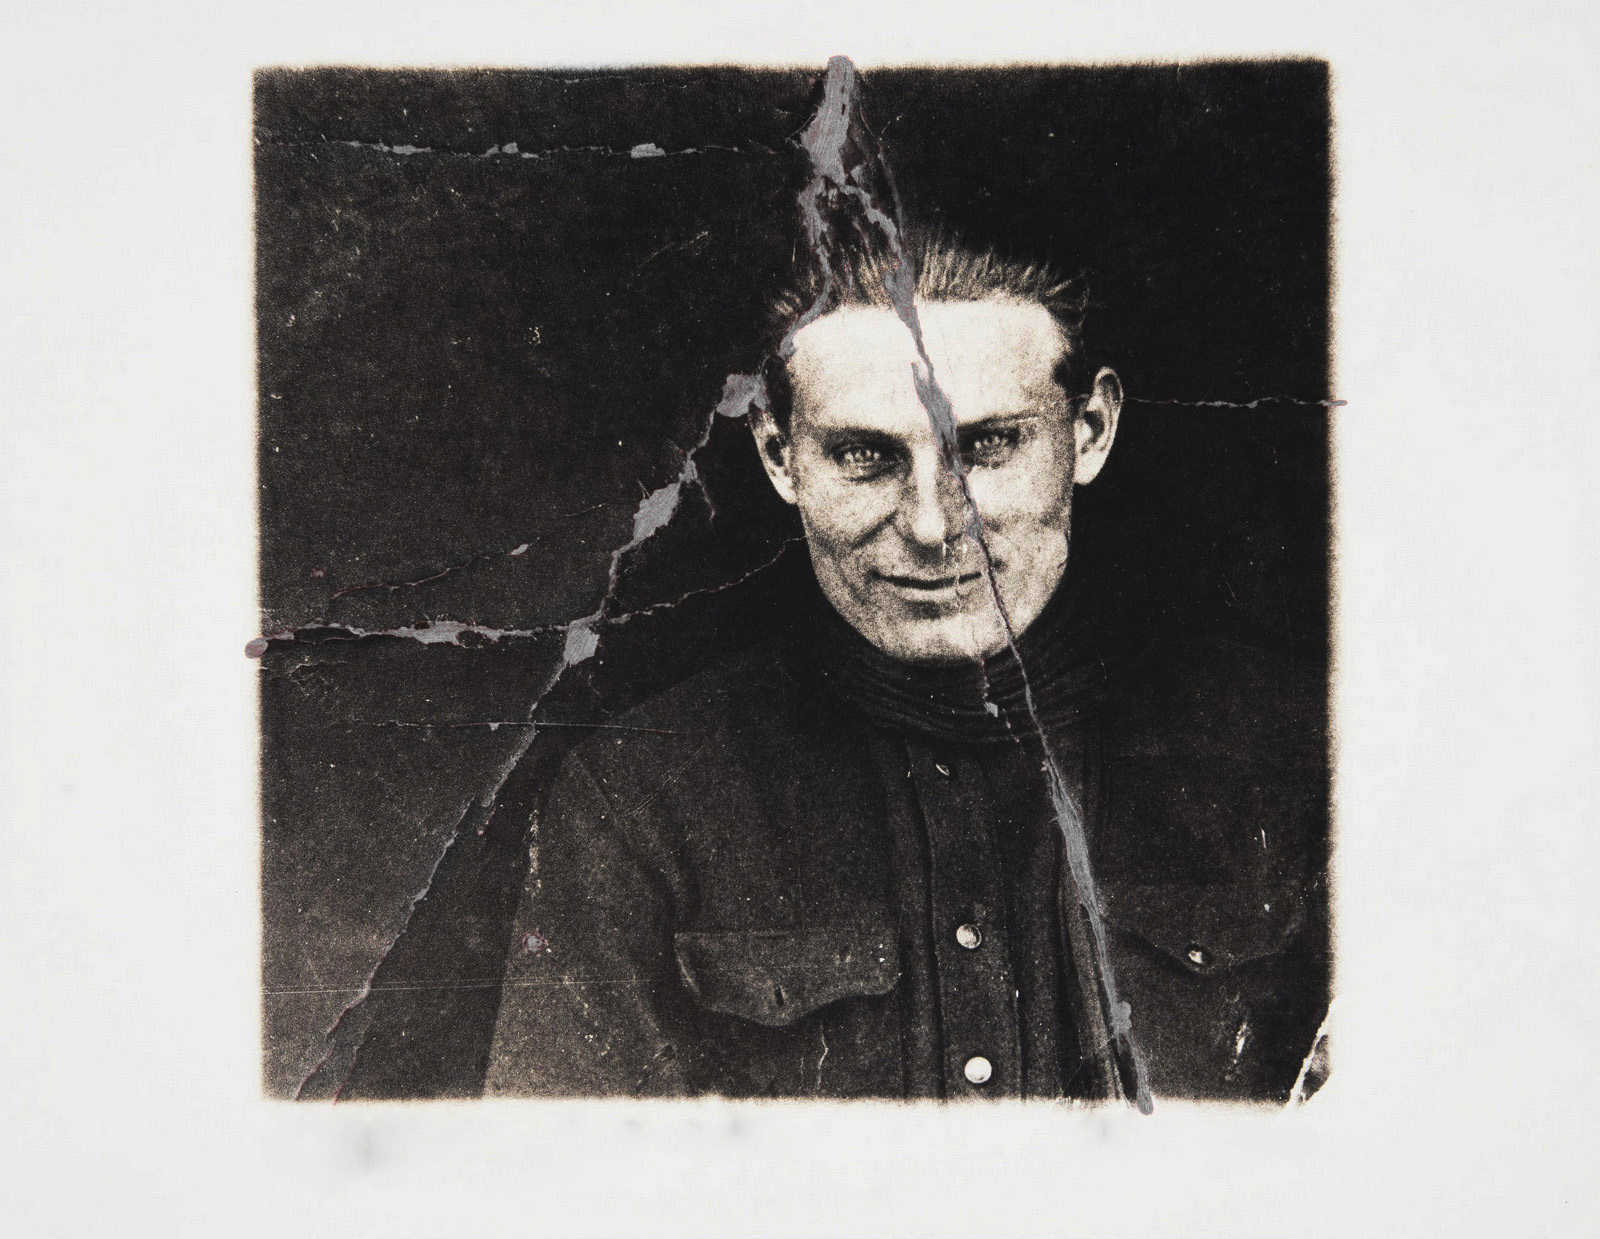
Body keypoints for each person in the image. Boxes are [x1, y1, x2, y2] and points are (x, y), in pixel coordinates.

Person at [480, 233, 1330, 1103]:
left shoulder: (1304, 753)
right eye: (865, 454)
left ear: (1090, 431)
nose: (932, 524)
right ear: (779, 456)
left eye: (988, 446)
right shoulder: (639, 799)